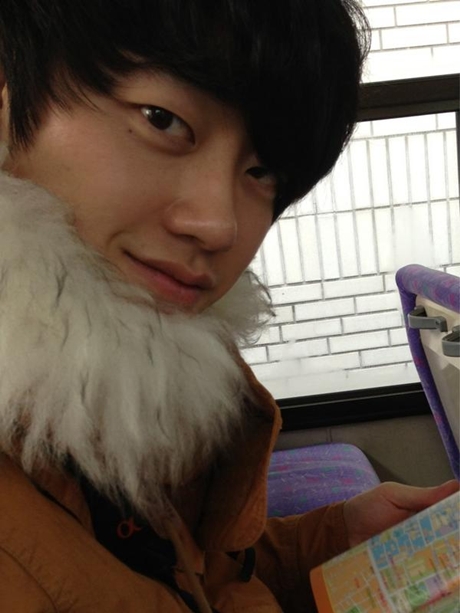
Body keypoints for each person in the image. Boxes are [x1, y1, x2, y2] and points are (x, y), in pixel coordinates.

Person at [0, 1, 457, 611]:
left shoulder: (143, 375)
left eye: (262, 172)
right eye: (163, 120)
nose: (219, 224)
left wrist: (333, 538)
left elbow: (183, 568)